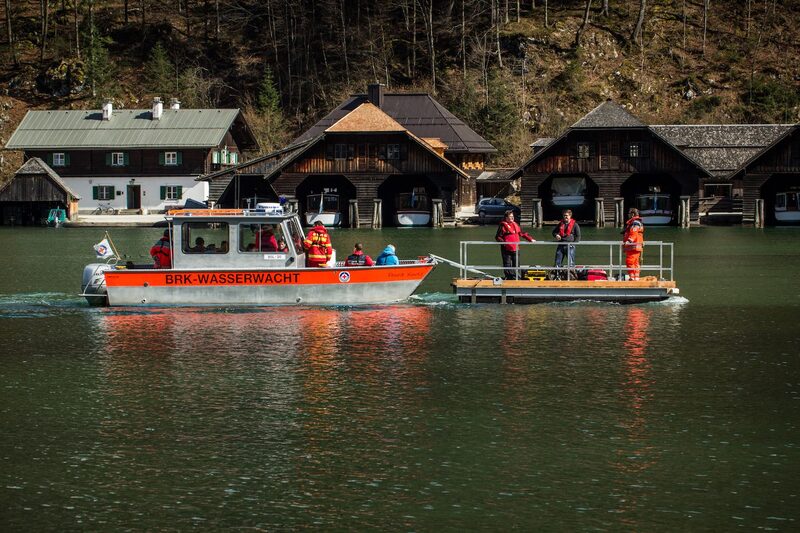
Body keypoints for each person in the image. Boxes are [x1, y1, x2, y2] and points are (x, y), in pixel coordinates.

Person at [495, 210, 534, 280]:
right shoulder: (503, 225)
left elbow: (522, 233)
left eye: (512, 216)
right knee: (507, 264)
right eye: (510, 217)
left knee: (516, 264)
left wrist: (530, 239)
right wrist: (505, 243)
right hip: (506, 249)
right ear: (506, 218)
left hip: (516, 248)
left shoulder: (515, 224)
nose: (512, 218)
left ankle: (517, 277)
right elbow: (498, 237)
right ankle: (509, 278)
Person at [552, 209, 581, 277]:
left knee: (571, 262)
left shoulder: (575, 225)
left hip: (570, 246)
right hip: (561, 245)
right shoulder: (561, 224)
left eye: (567, 215)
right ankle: (557, 275)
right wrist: (556, 235)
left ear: (570, 216)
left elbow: (578, 236)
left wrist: (573, 244)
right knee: (557, 261)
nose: (565, 217)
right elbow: (554, 232)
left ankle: (571, 276)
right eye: (564, 215)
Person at [622, 207, 645, 280]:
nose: (628, 215)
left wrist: (629, 241)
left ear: (632, 214)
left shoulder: (635, 223)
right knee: (635, 262)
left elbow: (633, 233)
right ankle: (636, 277)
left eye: (629, 214)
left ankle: (632, 277)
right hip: (636, 246)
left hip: (633, 246)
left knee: (630, 261)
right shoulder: (637, 222)